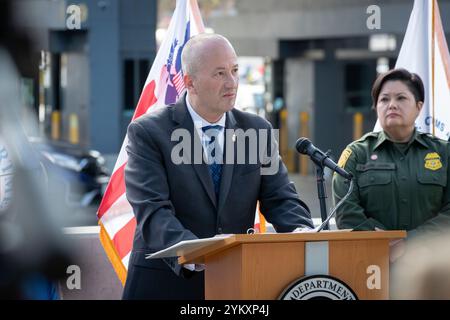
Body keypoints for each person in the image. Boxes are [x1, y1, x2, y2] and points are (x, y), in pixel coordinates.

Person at [123, 33, 314, 300]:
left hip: (235, 283)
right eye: (220, 74)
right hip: (166, 284)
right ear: (190, 81)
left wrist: (300, 231)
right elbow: (153, 210)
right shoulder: (148, 132)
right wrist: (197, 253)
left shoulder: (257, 129)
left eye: (235, 71)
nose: (232, 82)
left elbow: (280, 198)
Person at [332, 68, 450, 263]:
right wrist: (382, 241)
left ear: (419, 107)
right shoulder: (356, 154)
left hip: (432, 266)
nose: (392, 105)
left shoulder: (443, 152)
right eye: (384, 99)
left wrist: (409, 242)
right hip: (372, 264)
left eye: (401, 98)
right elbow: (346, 212)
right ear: (376, 107)